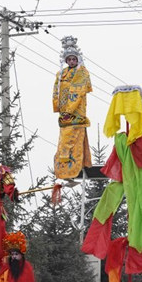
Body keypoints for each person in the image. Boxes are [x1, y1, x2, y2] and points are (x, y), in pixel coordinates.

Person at [52, 35, 92, 183]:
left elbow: (78, 91)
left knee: (75, 140)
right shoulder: (61, 74)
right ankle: (65, 170)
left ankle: (75, 168)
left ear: (77, 59)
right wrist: (59, 107)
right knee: (64, 141)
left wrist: (70, 109)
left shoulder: (82, 72)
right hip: (64, 114)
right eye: (69, 59)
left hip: (76, 112)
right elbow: (56, 90)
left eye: (74, 59)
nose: (71, 62)